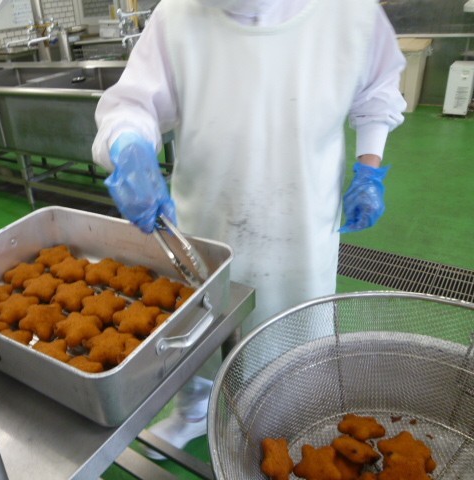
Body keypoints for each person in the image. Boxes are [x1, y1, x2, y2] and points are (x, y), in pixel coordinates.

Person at [92, 0, 407, 458]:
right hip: (210, 221)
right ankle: (195, 411)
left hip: (302, 221)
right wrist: (128, 145)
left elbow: (377, 90)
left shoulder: (349, 13)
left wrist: (370, 168)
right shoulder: (178, 16)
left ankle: (296, 421)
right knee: (201, 330)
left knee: (297, 327)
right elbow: (133, 103)